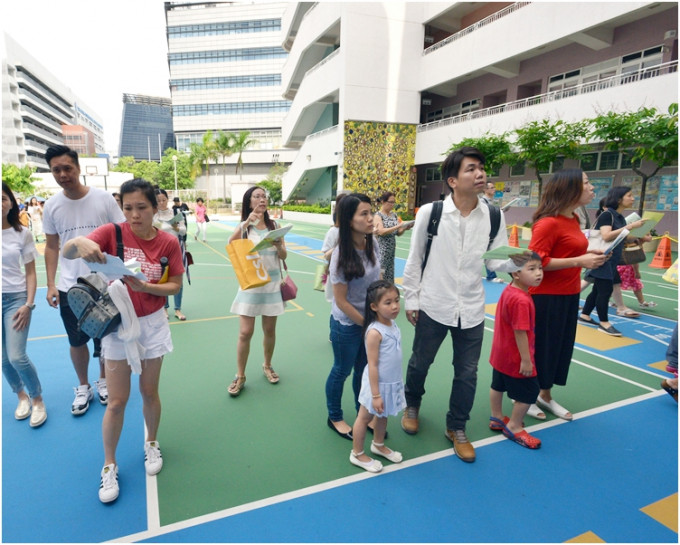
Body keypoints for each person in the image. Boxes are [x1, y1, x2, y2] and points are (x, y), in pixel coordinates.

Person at [61, 178, 184, 504]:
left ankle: (152, 442)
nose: (134, 215)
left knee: (149, 392)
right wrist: (78, 244)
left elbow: (174, 286)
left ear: (156, 206)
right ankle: (109, 465)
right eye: (128, 208)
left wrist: (148, 288)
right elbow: (68, 250)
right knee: (116, 401)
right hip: (116, 326)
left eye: (141, 207)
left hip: (154, 324)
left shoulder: (169, 243)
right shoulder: (112, 232)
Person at [400, 146, 508, 463]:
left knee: (468, 373)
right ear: (452, 180)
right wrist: (412, 299)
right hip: (434, 304)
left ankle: (457, 427)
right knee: (421, 362)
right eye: (471, 169)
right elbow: (415, 259)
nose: (480, 174)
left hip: (472, 309)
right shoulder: (430, 213)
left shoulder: (493, 215)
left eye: (481, 168)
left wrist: (522, 262)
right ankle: (412, 404)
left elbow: (498, 262)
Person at [42, 145, 125, 415]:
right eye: (57, 170)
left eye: (68, 168)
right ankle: (83, 385)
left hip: (105, 284)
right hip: (70, 287)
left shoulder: (103, 199)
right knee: (76, 340)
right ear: (52, 172)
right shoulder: (52, 206)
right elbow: (52, 246)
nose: (63, 174)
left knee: (105, 339)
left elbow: (121, 233)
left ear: (78, 167)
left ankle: (103, 381)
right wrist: (52, 283)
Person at [528, 169, 607, 421]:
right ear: (570, 188)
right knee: (542, 349)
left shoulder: (573, 219)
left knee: (559, 349)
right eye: (586, 183)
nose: (592, 188)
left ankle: (545, 395)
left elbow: (569, 253)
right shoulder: (548, 223)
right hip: (545, 297)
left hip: (569, 295)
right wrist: (578, 260)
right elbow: (536, 261)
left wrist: (588, 257)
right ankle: (527, 397)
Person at [326, 193, 380, 440]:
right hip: (347, 324)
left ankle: (361, 414)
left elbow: (376, 281)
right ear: (349, 220)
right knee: (341, 370)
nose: (371, 219)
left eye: (371, 212)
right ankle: (335, 416)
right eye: (364, 214)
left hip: (368, 321)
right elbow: (341, 301)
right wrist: (367, 324)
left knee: (363, 370)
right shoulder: (340, 255)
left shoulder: (372, 244)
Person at [227, 186, 287, 396]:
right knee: (245, 332)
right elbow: (231, 244)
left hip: (271, 284)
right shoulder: (245, 227)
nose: (262, 199)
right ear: (249, 202)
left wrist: (279, 245)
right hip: (250, 284)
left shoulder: (274, 225)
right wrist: (246, 223)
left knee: (269, 330)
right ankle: (240, 375)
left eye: (264, 196)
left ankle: (267, 365)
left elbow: (283, 256)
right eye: (257, 196)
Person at [2, 184, 47, 428]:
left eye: (3, 198)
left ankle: (37, 399)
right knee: (2, 360)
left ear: (10, 202)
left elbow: (30, 273)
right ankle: (21, 396)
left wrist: (29, 304)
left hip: (15, 299)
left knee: (17, 356)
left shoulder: (22, 234)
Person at [488, 252, 543, 449]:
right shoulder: (522, 300)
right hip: (515, 357)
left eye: (540, 268)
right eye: (532, 269)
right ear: (516, 274)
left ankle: (496, 417)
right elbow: (521, 331)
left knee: (498, 384)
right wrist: (526, 360)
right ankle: (514, 426)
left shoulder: (508, 290)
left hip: (500, 353)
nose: (538, 273)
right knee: (530, 391)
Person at [349, 280, 406, 473]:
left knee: (383, 415)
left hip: (391, 382)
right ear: (374, 307)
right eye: (388, 302)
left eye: (397, 300)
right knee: (365, 417)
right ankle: (357, 453)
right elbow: (372, 364)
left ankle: (378, 444)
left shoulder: (392, 324)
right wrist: (375, 394)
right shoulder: (374, 332)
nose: (395, 306)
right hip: (376, 385)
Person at [579, 186, 647, 335]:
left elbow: (622, 236)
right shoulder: (607, 215)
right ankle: (604, 323)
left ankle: (585, 315)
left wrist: (639, 235)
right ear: (618, 199)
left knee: (597, 289)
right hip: (602, 257)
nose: (633, 198)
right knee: (606, 290)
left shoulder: (620, 217)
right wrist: (630, 227)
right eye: (629, 195)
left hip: (611, 259)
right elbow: (606, 236)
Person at [154, 188, 188, 320]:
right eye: (158, 201)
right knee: (163, 279)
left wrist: (176, 227)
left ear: (167, 200)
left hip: (176, 249)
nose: (162, 203)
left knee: (178, 279)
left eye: (164, 200)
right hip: (160, 251)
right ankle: (164, 308)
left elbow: (184, 231)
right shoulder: (153, 215)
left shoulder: (176, 212)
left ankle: (178, 309)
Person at [373, 191, 413, 283]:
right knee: (381, 274)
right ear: (383, 202)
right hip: (382, 251)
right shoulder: (378, 216)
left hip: (390, 252)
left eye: (394, 202)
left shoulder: (393, 215)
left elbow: (398, 233)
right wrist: (398, 226)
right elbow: (381, 232)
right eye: (390, 202)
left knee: (389, 276)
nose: (392, 205)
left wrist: (405, 228)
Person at [481, 182, 504, 283]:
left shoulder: (490, 201)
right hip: (484, 231)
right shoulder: (482, 201)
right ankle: (491, 275)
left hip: (490, 230)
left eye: (494, 187)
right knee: (487, 251)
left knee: (488, 251)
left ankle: (491, 275)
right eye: (491, 188)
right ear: (485, 190)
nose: (494, 189)